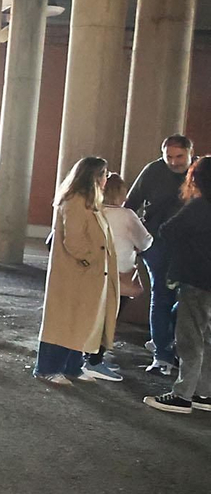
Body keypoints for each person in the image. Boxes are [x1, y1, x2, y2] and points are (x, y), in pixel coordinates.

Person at [35, 157, 118, 385]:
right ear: (94, 176)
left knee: (81, 322)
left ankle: (73, 366)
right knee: (63, 322)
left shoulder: (90, 201)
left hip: (87, 274)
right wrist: (89, 259)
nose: (106, 180)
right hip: (76, 273)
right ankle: (47, 368)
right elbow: (73, 239)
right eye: (104, 175)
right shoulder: (75, 201)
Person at [144, 155, 211, 414]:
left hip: (196, 278)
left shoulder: (199, 206)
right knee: (207, 338)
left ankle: (182, 395)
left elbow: (167, 231)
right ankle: (204, 392)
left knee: (190, 339)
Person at [126, 135, 193, 376]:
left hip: (190, 247)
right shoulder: (153, 170)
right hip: (156, 244)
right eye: (169, 157)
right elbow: (130, 204)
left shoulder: (200, 172)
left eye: (179, 157)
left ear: (189, 153)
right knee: (162, 296)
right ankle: (162, 355)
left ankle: (163, 338)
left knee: (189, 298)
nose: (174, 162)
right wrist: (133, 238)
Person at [84, 173, 151, 380]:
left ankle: (83, 357)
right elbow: (146, 241)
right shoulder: (127, 215)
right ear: (121, 193)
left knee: (91, 315)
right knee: (109, 319)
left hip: (91, 272)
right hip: (119, 273)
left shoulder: (91, 212)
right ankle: (95, 361)